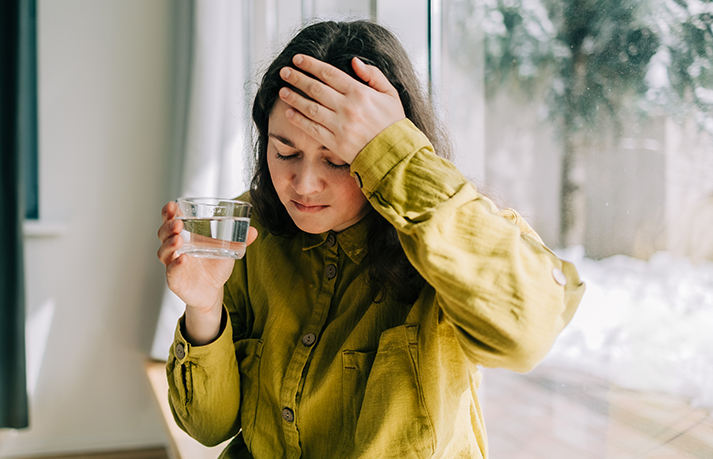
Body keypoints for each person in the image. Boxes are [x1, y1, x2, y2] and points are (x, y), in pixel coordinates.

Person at [157, 20, 584, 459]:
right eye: (285, 152)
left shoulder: (452, 235)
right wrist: (204, 308)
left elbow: (526, 334)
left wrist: (396, 153)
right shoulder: (249, 230)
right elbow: (208, 428)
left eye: (338, 161)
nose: (303, 185)